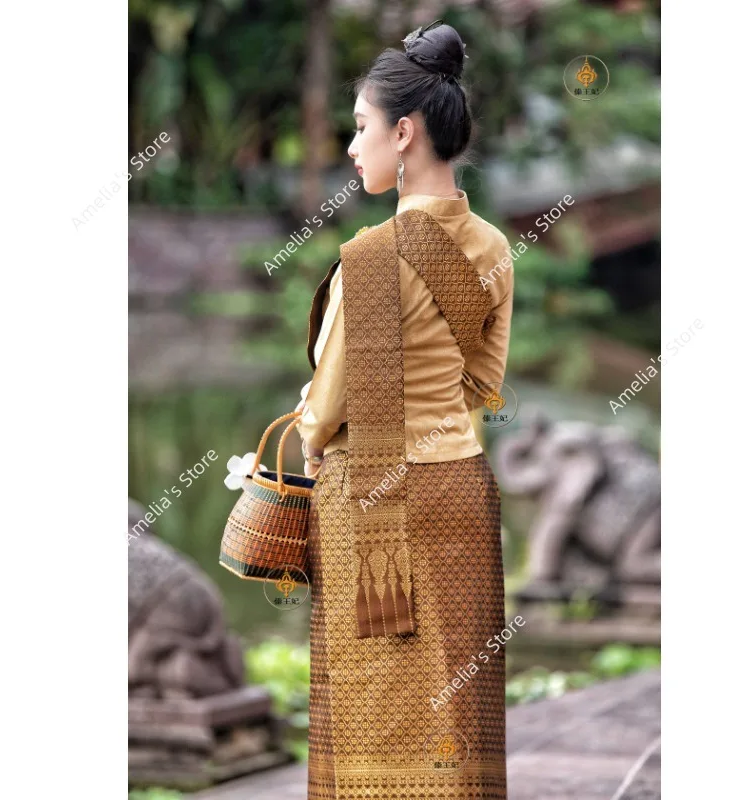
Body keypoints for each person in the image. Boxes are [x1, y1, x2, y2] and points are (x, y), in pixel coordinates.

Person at [295, 20, 513, 800]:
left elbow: (325, 407)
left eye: (361, 127)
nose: (354, 147)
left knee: (374, 702)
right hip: (460, 488)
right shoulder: (494, 247)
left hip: (371, 500)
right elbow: (483, 383)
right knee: (459, 695)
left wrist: (310, 438)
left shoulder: (370, 259)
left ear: (405, 132)